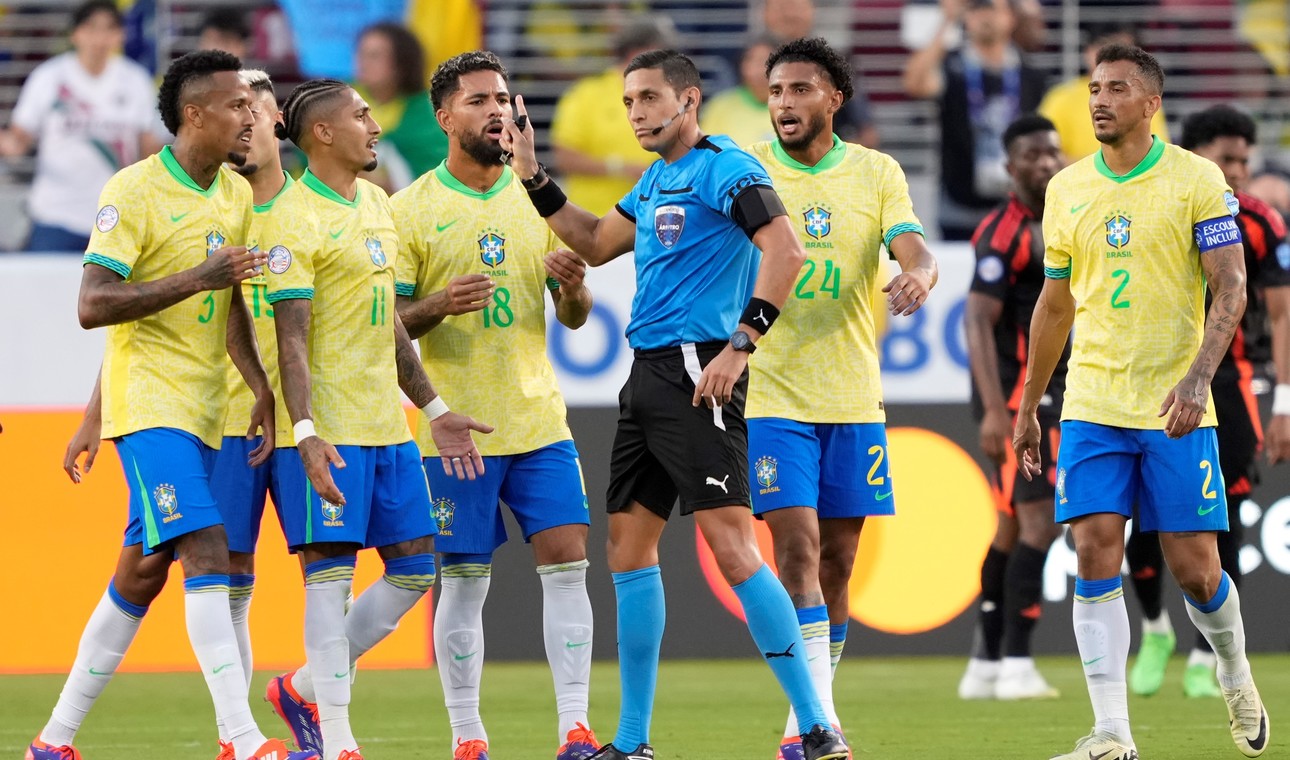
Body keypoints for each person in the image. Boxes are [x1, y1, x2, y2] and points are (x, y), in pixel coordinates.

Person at [502, 48, 850, 760]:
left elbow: (787, 252)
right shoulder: (659, 178)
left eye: (650, 99)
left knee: (730, 546)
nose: (636, 114)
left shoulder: (727, 169)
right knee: (627, 549)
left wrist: (742, 342)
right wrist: (533, 174)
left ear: (689, 101)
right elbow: (597, 243)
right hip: (648, 375)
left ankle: (817, 727)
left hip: (699, 368)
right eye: (629, 102)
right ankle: (631, 743)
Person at [27, 50, 314, 760]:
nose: (251, 119)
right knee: (208, 551)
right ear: (195, 115)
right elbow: (94, 304)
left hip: (205, 406)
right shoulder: (133, 190)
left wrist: (258, 385)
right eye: (237, 107)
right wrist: (198, 276)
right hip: (151, 406)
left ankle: (53, 741)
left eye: (254, 108)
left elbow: (230, 304)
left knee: (141, 573)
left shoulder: (234, 196)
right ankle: (240, 739)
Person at [1016, 44, 1269, 760]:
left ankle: (1233, 669)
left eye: (1117, 89)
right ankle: (1111, 734)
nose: (1099, 100)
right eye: (1094, 88)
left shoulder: (1197, 179)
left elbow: (1232, 286)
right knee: (1094, 549)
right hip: (1094, 400)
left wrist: (1195, 379)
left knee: (1196, 568)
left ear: (1151, 103)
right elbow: (1055, 304)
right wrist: (1029, 405)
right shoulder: (1066, 189)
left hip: (1174, 404)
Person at [262, 78, 491, 760]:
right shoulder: (291, 218)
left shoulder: (376, 205)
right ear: (323, 134)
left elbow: (388, 326)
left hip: (387, 427)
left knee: (416, 569)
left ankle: (302, 688)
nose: (375, 124)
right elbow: (291, 338)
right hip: (326, 429)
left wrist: (435, 409)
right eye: (361, 115)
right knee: (328, 579)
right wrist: (303, 432)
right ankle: (337, 740)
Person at [390, 50, 601, 760]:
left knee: (568, 558)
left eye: (504, 99)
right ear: (445, 117)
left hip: (539, 418)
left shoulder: (535, 197)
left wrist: (572, 289)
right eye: (479, 100)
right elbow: (384, 325)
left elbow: (573, 315)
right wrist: (438, 305)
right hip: (458, 427)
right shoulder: (410, 209)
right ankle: (467, 734)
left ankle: (575, 726)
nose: (499, 113)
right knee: (466, 579)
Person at [745, 37, 938, 760]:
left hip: (854, 398)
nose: (785, 104)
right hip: (771, 394)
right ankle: (813, 723)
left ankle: (815, 715)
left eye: (800, 89)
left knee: (839, 564)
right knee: (795, 549)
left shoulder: (876, 171)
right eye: (775, 92)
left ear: (835, 97)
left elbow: (912, 245)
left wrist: (922, 274)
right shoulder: (747, 168)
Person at [1125, 104, 1290, 700]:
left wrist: (1286, 404)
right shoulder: (1156, 203)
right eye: (1228, 159)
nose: (1240, 171)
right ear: (1197, 159)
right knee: (1144, 527)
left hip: (1231, 384)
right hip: (1155, 382)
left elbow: (1281, 311)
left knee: (1223, 527)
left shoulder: (1264, 222)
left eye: (1246, 159)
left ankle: (1206, 656)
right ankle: (1154, 630)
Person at [957, 114, 1067, 702]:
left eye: (1052, 151)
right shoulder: (1003, 231)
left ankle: (984, 664)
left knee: (1008, 529)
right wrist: (998, 410)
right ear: (1010, 167)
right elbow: (977, 319)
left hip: (1054, 388)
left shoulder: (1073, 214)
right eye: (1032, 155)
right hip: (1022, 395)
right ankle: (1019, 664)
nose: (1046, 163)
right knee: (1040, 522)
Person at [0, 0, 163, 253]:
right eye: (91, 28)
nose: (99, 38)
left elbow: (149, 151)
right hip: (55, 216)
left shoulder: (136, 81)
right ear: (75, 33)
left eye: (109, 29)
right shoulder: (48, 77)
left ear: (120, 35)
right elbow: (17, 142)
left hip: (117, 218)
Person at [902, 0, 1047, 240]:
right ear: (966, 18)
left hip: (1016, 207)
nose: (985, 16)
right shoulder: (952, 66)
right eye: (977, 8)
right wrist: (947, 20)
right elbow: (914, 82)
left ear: (1011, 17)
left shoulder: (1029, 74)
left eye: (993, 8)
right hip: (959, 207)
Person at [549, 16, 670, 216]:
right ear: (638, 52)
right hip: (593, 221)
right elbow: (563, 157)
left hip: (652, 221)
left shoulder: (668, 95)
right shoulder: (585, 94)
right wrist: (621, 168)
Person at [1038, 23, 1169, 162]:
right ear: (1088, 52)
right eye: (1106, 49)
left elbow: (1158, 154)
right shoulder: (1061, 98)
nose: (1114, 59)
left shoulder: (1143, 100)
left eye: (1124, 53)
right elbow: (1044, 154)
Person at [760, 0, 879, 148]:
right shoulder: (746, 62)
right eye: (782, 7)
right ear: (764, 13)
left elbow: (865, 131)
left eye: (796, 7)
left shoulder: (835, 62)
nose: (790, 15)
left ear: (812, 11)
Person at [353, 22, 449, 191]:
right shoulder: (340, 100)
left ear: (400, 63)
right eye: (361, 54)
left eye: (374, 56)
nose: (364, 63)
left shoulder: (428, 112)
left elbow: (436, 167)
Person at [701, 35, 778, 147]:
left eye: (767, 61)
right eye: (753, 61)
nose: (760, 70)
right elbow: (705, 153)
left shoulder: (797, 107)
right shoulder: (720, 106)